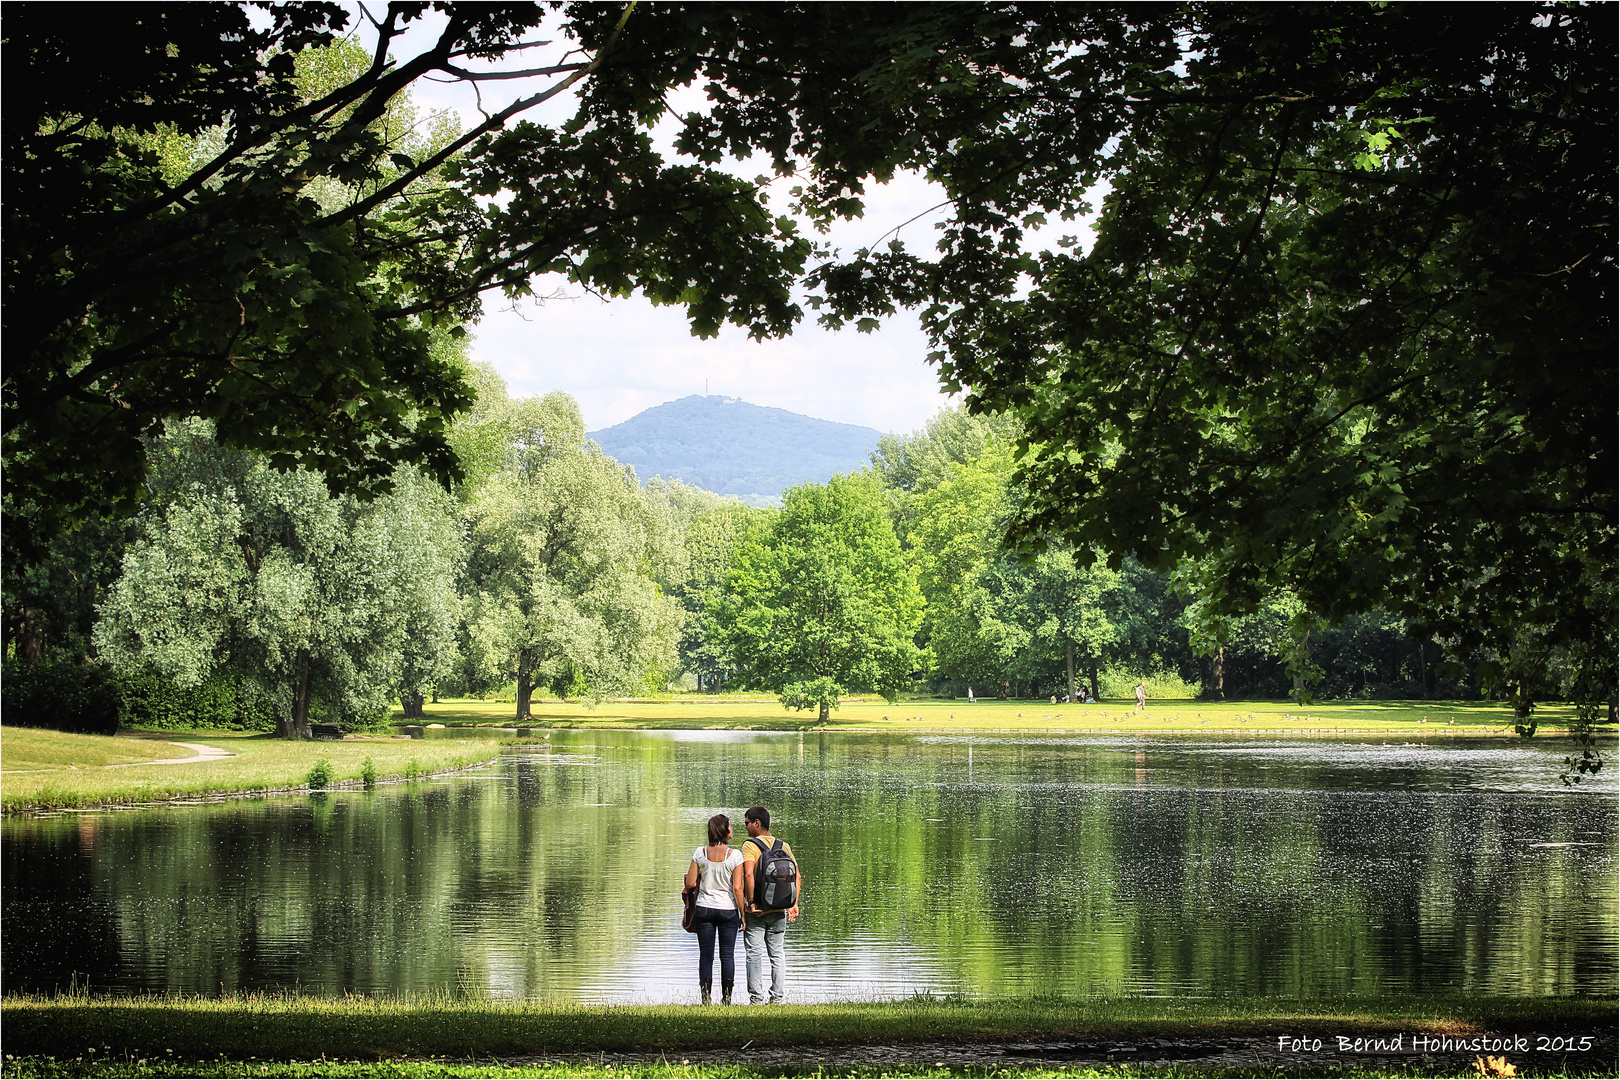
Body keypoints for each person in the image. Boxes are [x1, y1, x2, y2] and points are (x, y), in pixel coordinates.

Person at [740, 805, 800, 1004]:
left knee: (754, 954)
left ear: (757, 823)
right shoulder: (784, 845)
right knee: (777, 954)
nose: (746, 827)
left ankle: (756, 999)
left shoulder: (750, 846)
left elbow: (748, 874)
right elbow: (797, 876)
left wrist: (750, 902)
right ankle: (778, 997)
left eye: (747, 822)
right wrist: (793, 904)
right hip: (779, 907)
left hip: (757, 909)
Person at [684, 813, 746, 1004]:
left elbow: (691, 883)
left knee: (706, 955)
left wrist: (703, 872)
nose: (732, 830)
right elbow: (737, 888)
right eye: (730, 826)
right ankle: (726, 999)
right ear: (724, 830)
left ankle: (705, 998)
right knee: (727, 955)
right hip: (728, 910)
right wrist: (743, 915)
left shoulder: (699, 853)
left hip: (704, 908)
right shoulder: (735, 855)